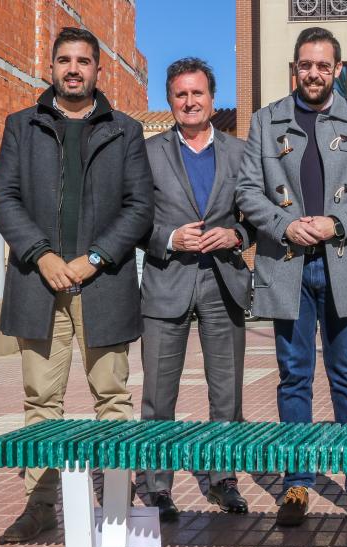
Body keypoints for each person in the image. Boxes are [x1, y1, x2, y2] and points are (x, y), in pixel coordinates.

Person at [0, 27, 153, 543]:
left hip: (103, 283)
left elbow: (139, 207)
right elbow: (4, 200)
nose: (74, 69)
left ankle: (120, 509)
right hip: (39, 286)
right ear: (51, 67)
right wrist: (43, 256)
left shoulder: (125, 130)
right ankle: (40, 506)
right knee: (41, 399)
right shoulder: (22, 125)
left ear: (98, 71)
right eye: (65, 60)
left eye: (84, 61)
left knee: (113, 397)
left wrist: (94, 259)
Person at [235, 27, 347, 528]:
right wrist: (285, 225)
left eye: (324, 65)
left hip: (345, 260)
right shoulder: (266, 121)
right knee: (294, 376)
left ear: (338, 69)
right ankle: (297, 483)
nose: (314, 73)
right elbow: (247, 191)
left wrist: (335, 222)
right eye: (306, 65)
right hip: (287, 264)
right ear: (295, 68)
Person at [140, 58, 254, 521]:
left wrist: (237, 237)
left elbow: (254, 217)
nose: (190, 102)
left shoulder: (240, 152)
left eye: (198, 94)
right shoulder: (148, 154)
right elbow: (133, 218)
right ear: (170, 101)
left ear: (211, 98)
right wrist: (169, 237)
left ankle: (223, 479)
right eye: (180, 95)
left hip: (223, 280)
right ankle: (157, 486)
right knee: (158, 394)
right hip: (168, 280)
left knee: (226, 393)